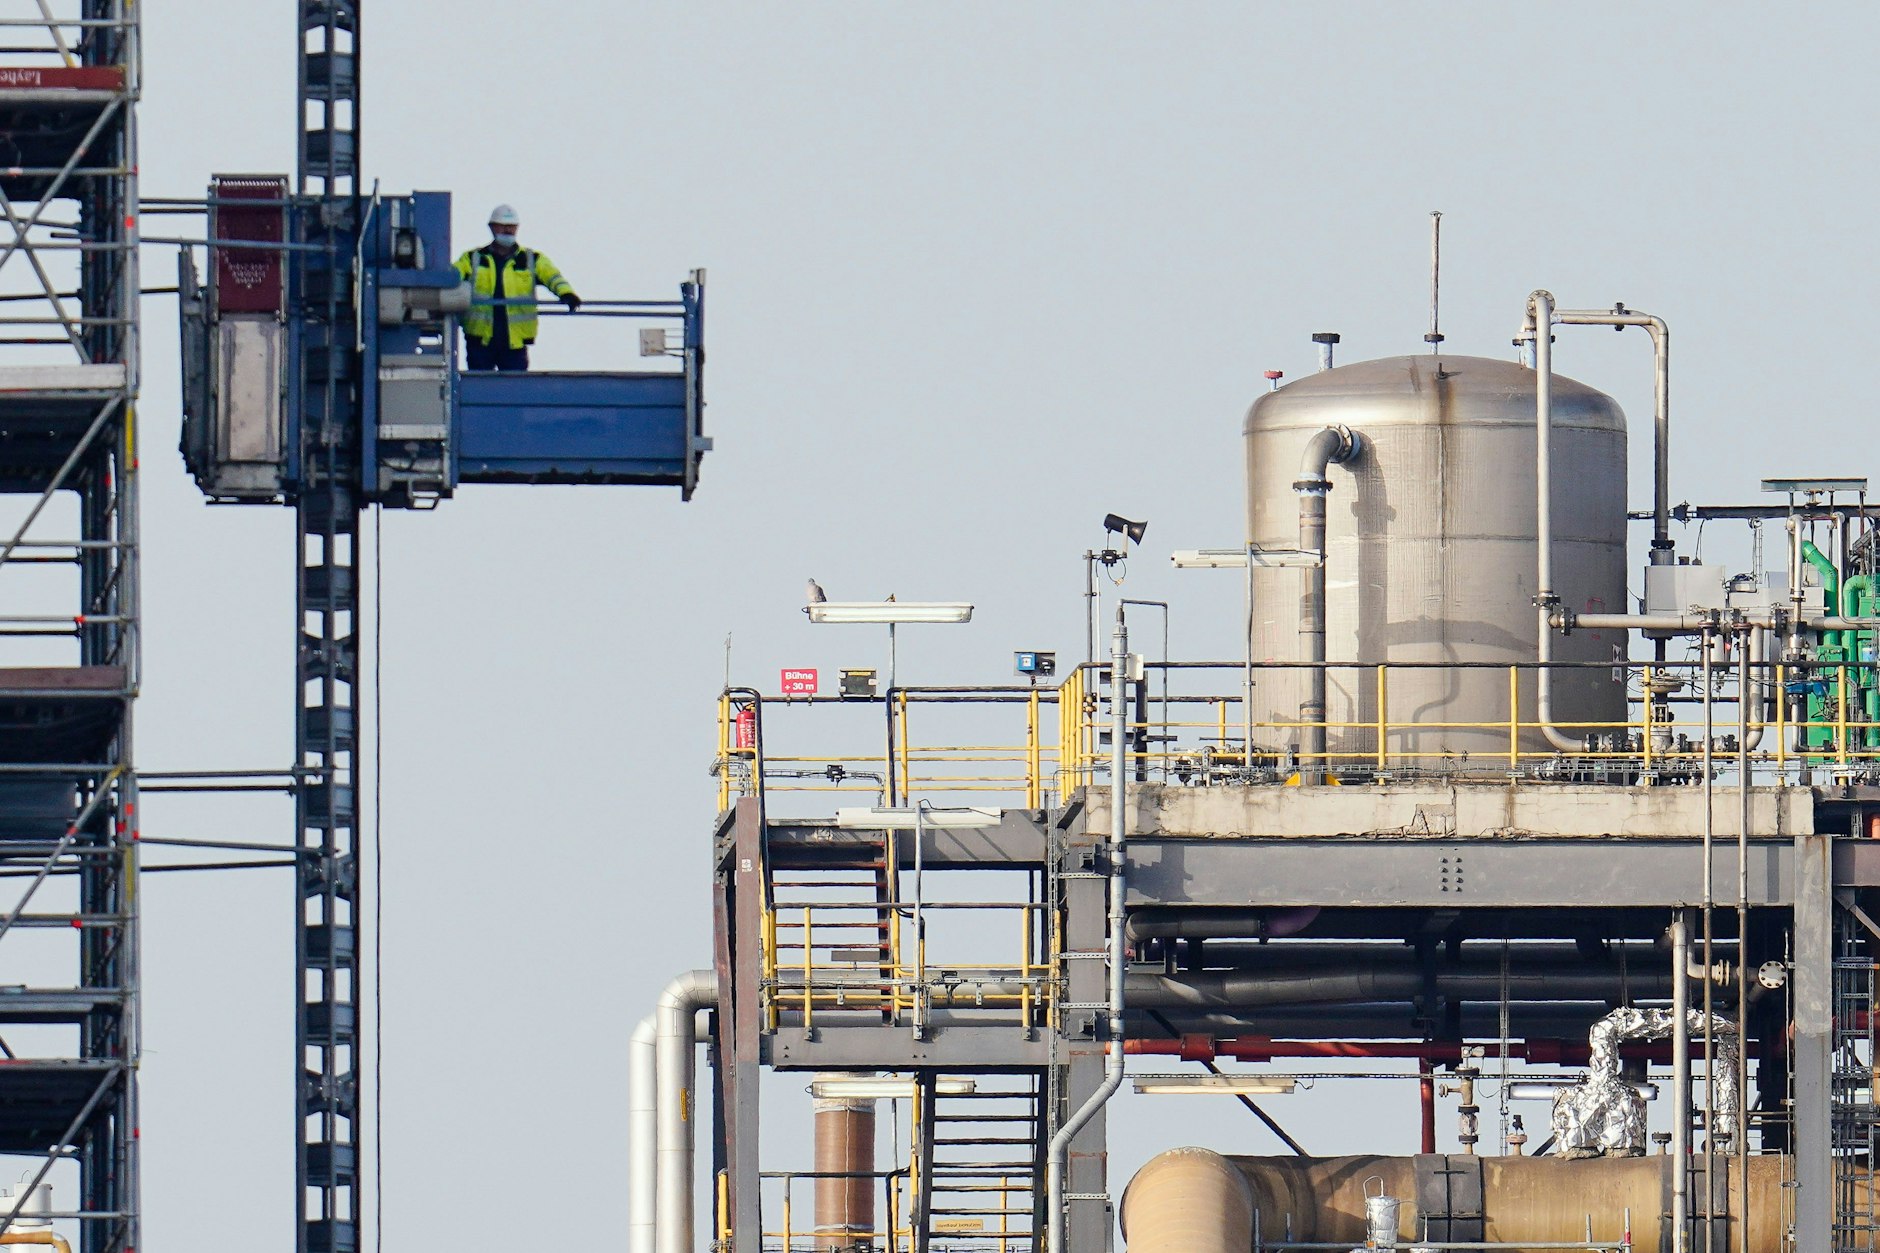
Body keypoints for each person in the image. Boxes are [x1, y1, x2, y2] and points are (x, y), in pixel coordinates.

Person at [454, 204, 581, 371]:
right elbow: (452, 276)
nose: (508, 230)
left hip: (514, 341)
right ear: (492, 228)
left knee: (514, 390)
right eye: (503, 226)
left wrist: (567, 294)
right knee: (480, 391)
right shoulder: (473, 258)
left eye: (512, 227)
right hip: (480, 339)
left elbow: (552, 277)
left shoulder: (531, 259)